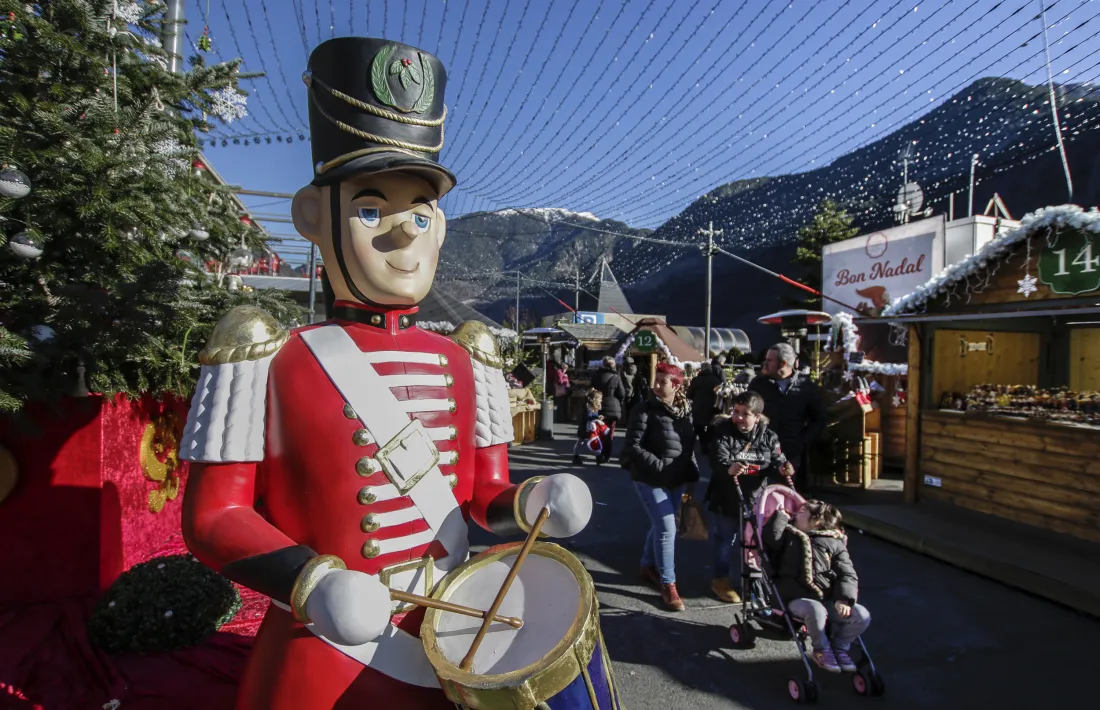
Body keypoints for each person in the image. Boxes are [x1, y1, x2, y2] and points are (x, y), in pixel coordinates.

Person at [179, 37, 594, 710]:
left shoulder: (469, 355)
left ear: (439, 229)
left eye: (419, 212)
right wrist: (310, 583)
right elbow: (212, 515)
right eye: (372, 208)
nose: (403, 233)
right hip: (320, 658)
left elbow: (482, 496)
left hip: (448, 652)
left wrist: (533, 503)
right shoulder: (262, 351)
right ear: (316, 216)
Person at [621, 362, 699, 612]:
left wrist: (692, 473)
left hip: (677, 479)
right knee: (666, 527)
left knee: (663, 524)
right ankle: (668, 584)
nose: (656, 385)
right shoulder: (644, 410)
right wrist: (659, 465)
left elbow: (688, 447)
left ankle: (647, 564)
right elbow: (632, 446)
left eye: (662, 381)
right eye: (656, 380)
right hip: (649, 478)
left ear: (677, 385)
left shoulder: (687, 412)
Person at [706, 391, 795, 603]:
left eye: (744, 414)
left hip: (756, 500)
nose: (737, 418)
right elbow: (717, 459)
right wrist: (730, 467)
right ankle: (720, 579)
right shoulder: (723, 431)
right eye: (736, 412)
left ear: (757, 416)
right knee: (724, 540)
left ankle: (752, 582)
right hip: (727, 495)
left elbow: (777, 459)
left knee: (754, 543)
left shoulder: (768, 436)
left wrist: (785, 467)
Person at [764, 499, 870, 674]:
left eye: (803, 510)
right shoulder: (790, 535)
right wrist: (781, 516)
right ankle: (821, 649)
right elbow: (771, 539)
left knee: (862, 616)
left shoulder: (835, 543)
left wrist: (843, 598)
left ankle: (839, 646)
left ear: (817, 521)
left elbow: (847, 574)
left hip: (827, 597)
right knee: (815, 610)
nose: (797, 512)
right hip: (793, 596)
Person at [749, 343, 826, 489]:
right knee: (756, 496)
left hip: (789, 453)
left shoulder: (805, 386)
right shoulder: (758, 384)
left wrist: (801, 441)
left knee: (783, 498)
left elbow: (819, 419)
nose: (765, 363)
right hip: (759, 451)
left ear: (783, 363)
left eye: (770, 360)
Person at [592, 355, 626, 463]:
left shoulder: (596, 375)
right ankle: (606, 455)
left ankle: (598, 454)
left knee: (598, 431)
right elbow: (622, 393)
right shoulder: (616, 377)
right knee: (609, 432)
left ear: (603, 364)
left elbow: (591, 389)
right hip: (612, 407)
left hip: (598, 405)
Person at [686, 361, 722, 452]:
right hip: (713, 407)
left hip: (699, 407)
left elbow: (689, 394)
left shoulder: (696, 380)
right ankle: (707, 442)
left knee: (699, 426)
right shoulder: (716, 380)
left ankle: (703, 444)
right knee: (711, 425)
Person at [573, 389, 608, 466]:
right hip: (585, 428)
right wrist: (597, 418)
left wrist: (597, 417)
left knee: (592, 441)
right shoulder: (589, 406)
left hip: (590, 427)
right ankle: (576, 456)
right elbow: (588, 417)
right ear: (595, 399)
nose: (601, 400)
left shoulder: (595, 406)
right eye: (600, 398)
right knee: (582, 442)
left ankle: (597, 456)